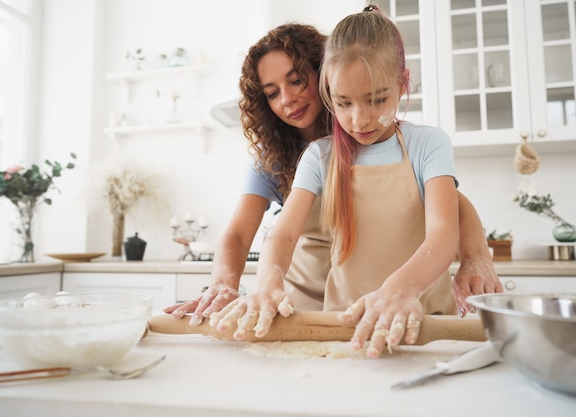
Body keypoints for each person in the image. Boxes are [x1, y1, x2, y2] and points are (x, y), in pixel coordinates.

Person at [163, 20, 501, 327]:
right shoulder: (309, 156)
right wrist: (241, 285)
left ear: (321, 73)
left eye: (296, 80)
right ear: (332, 91)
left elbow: (446, 212)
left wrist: (474, 257)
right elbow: (259, 237)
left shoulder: (421, 142)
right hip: (314, 307)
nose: (288, 98)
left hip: (408, 301)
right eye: (272, 93)